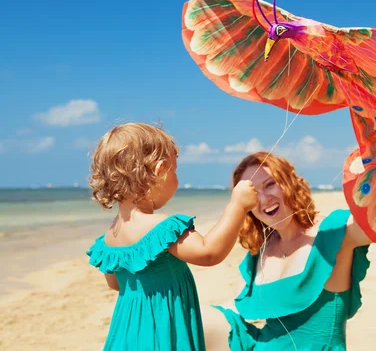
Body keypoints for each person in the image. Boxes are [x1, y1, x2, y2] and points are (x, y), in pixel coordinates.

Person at [85, 123, 258, 351]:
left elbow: (116, 283)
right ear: (159, 171)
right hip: (162, 335)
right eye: (174, 170)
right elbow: (208, 253)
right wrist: (237, 206)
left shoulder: (110, 236)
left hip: (126, 334)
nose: (176, 177)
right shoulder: (162, 228)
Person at [202, 151, 372, 350]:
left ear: (289, 182)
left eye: (270, 184)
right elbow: (235, 306)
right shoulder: (260, 251)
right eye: (254, 194)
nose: (264, 199)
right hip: (259, 345)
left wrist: (375, 172)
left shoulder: (332, 230)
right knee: (193, 318)